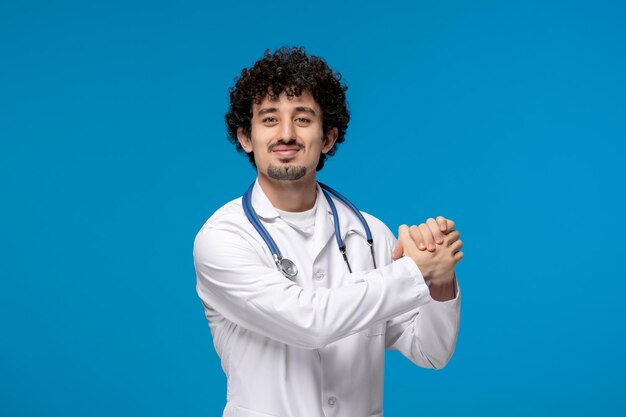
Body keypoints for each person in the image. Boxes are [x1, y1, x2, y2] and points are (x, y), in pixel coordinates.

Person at [193, 46, 463, 417]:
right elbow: (312, 323)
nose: (286, 134)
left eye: (303, 119)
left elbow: (431, 352)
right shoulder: (224, 238)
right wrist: (416, 270)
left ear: (329, 137)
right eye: (269, 119)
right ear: (245, 137)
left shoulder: (369, 233)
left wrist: (440, 279)